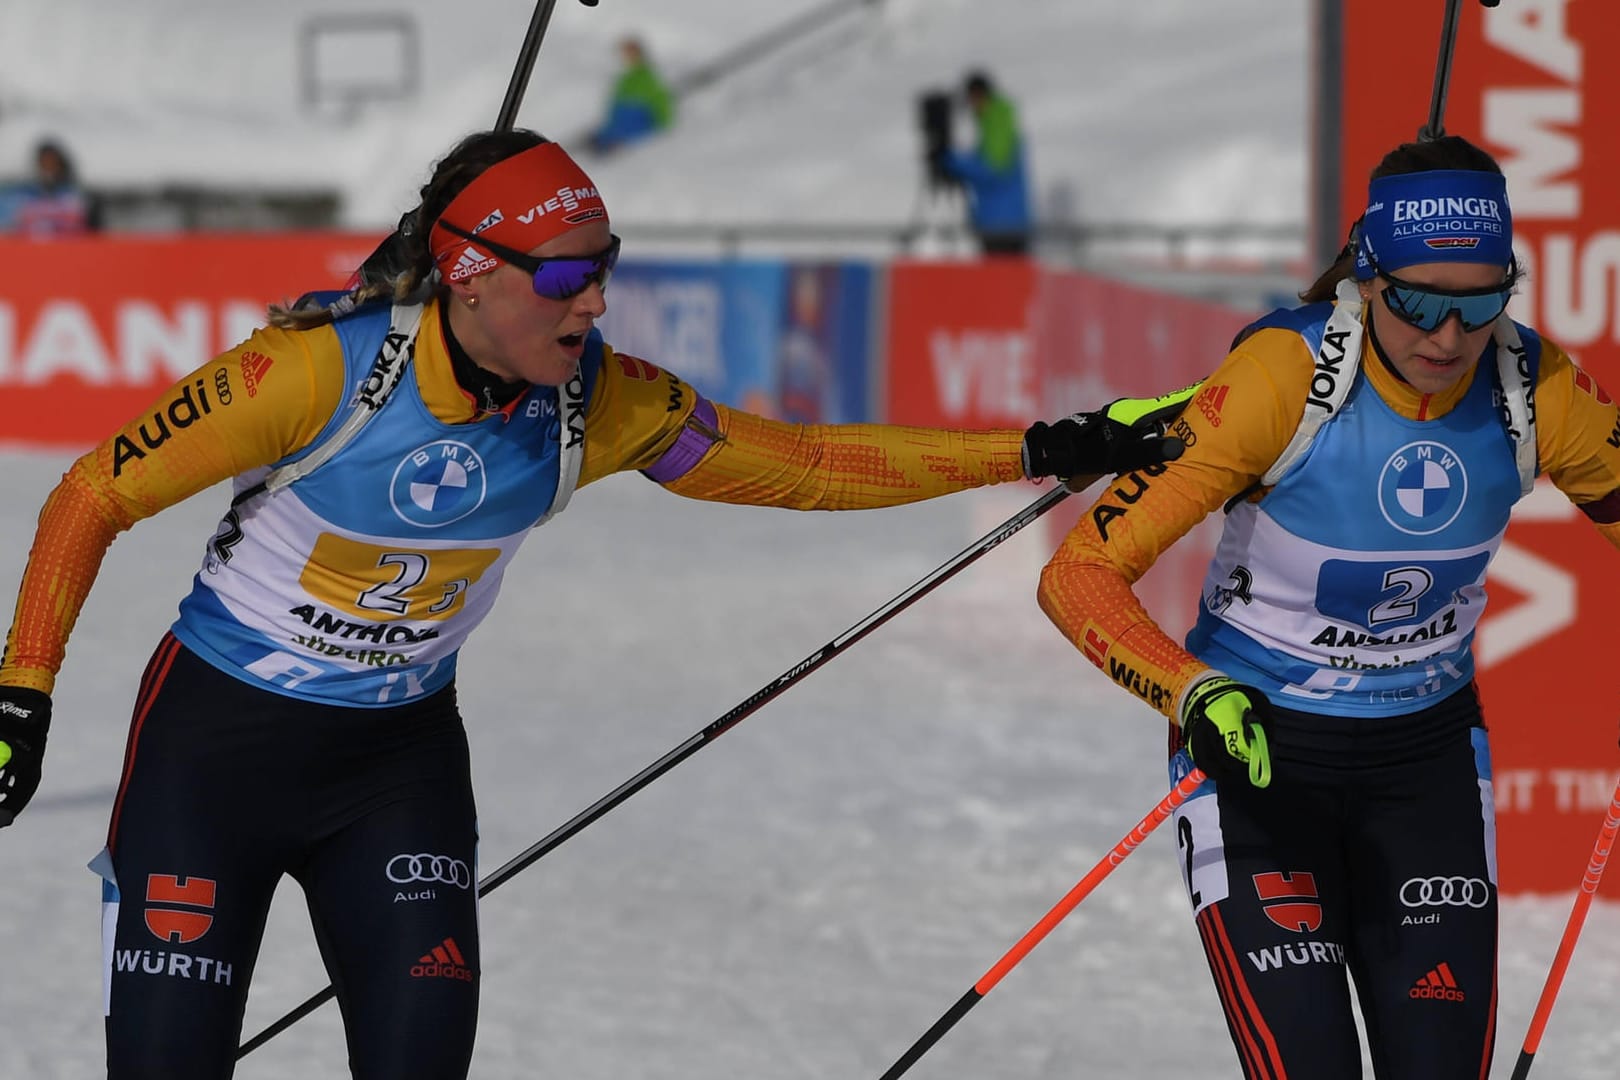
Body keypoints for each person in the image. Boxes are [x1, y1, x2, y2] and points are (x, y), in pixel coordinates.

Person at [0, 127, 1185, 1079]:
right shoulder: (316, 373)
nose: (592, 308)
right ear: (468, 276)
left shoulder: (597, 404)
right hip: (215, 753)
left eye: (605, 273)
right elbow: (90, 494)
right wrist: (23, 690)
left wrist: (1041, 444)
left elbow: (811, 462)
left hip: (394, 773)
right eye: (566, 279)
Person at [1022, 133, 1620, 1076]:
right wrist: (1191, 692)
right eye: (1418, 302)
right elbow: (1079, 575)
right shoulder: (1282, 381)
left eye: (1480, 306)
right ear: (1367, 276)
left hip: (1423, 766)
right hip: (1259, 758)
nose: (1447, 339)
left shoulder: (1535, 389)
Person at [934, 70, 1033, 256]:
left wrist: (951, 161)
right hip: (1003, 222)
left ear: (978, 95)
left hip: (1002, 225)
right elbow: (987, 160)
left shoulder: (997, 119)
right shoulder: (995, 121)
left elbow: (993, 169)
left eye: (971, 99)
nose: (970, 106)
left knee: (1002, 281)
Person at [587, 36, 675, 154]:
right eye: (625, 54)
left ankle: (612, 141)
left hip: (639, 122)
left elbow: (660, 100)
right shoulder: (624, 79)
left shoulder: (647, 76)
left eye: (631, 54)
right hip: (620, 122)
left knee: (629, 119)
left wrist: (664, 121)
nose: (628, 58)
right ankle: (606, 139)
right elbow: (615, 106)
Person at [4, 138, 96, 237]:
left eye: (53, 162)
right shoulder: (21, 195)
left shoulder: (74, 195)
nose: (49, 167)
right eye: (45, 162)